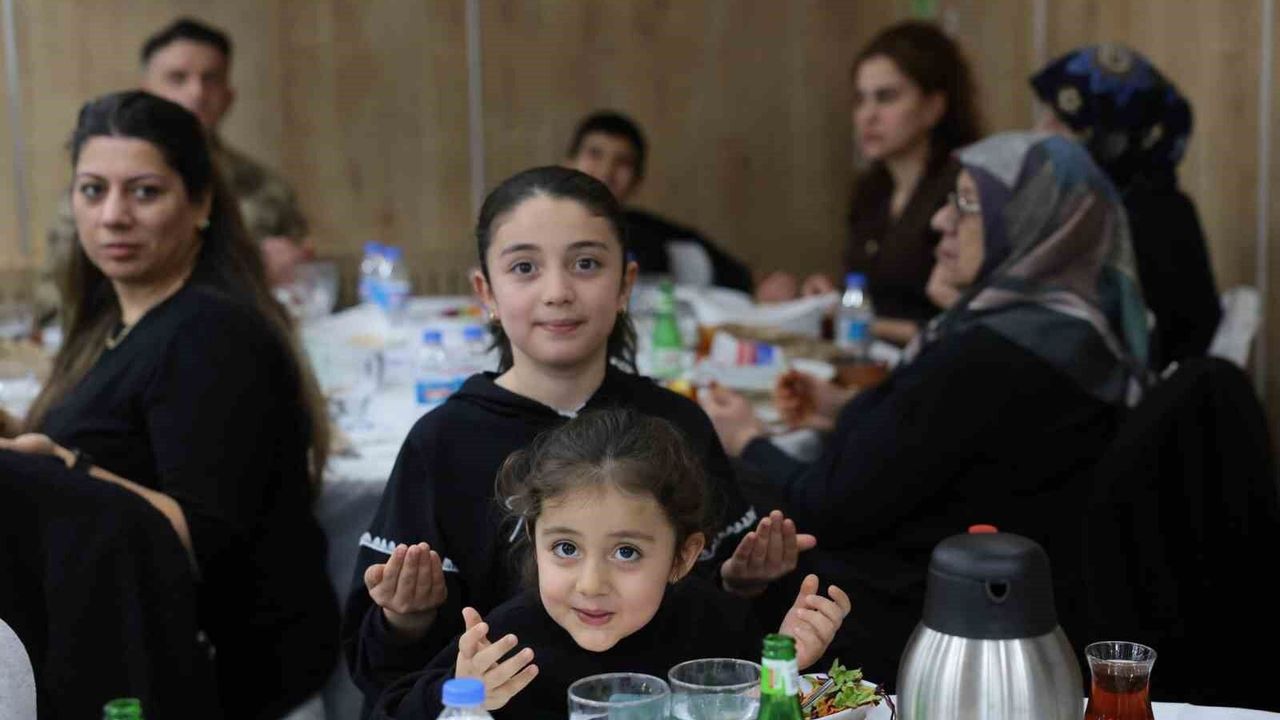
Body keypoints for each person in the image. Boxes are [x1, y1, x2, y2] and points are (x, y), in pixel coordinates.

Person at [343, 166, 813, 711]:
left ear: (625, 285)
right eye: (524, 267)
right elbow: (390, 681)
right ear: (486, 291)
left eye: (586, 264)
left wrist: (744, 582)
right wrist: (406, 617)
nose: (558, 292)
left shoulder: (677, 424)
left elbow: (726, 633)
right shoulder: (443, 442)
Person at [701, 133, 1149, 688]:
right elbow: (939, 446)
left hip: (920, 619)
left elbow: (829, 504)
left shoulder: (989, 356)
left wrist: (745, 438)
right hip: (997, 597)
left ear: (1028, 223)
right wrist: (843, 412)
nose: (940, 221)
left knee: (714, 521)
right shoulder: (1066, 332)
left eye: (966, 204)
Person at [0, 90, 337, 719]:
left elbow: (203, 537)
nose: (113, 216)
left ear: (201, 203)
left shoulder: (211, 335)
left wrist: (61, 468)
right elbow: (115, 449)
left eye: (145, 192)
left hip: (223, 680)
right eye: (93, 190)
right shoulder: (116, 315)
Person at [372, 409, 851, 719]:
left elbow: (761, 705)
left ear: (683, 556)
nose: (591, 584)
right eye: (566, 548)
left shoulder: (713, 626)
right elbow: (391, 709)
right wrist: (462, 694)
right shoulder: (505, 644)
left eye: (626, 552)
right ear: (535, 540)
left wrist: (785, 664)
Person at [37, 17, 311, 320]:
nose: (196, 93)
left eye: (210, 79)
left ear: (228, 96)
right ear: (145, 92)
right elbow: (57, 301)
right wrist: (250, 268)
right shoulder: (100, 193)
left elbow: (302, 295)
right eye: (177, 78)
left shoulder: (266, 188)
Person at [1031, 43, 1220, 369]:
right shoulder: (1101, 201)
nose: (1039, 133)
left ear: (1110, 139)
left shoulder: (1151, 217)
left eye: (1061, 123)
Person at [801, 21, 982, 345]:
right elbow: (875, 293)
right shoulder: (870, 191)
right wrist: (834, 297)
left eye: (886, 98)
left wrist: (858, 320)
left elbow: (969, 323)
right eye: (860, 99)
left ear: (933, 107)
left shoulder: (964, 188)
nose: (867, 116)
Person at [564, 111, 795, 299]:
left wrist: (766, 287)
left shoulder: (656, 236)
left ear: (637, 180)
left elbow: (743, 279)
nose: (606, 170)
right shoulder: (543, 227)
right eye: (595, 154)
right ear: (569, 163)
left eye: (622, 162)